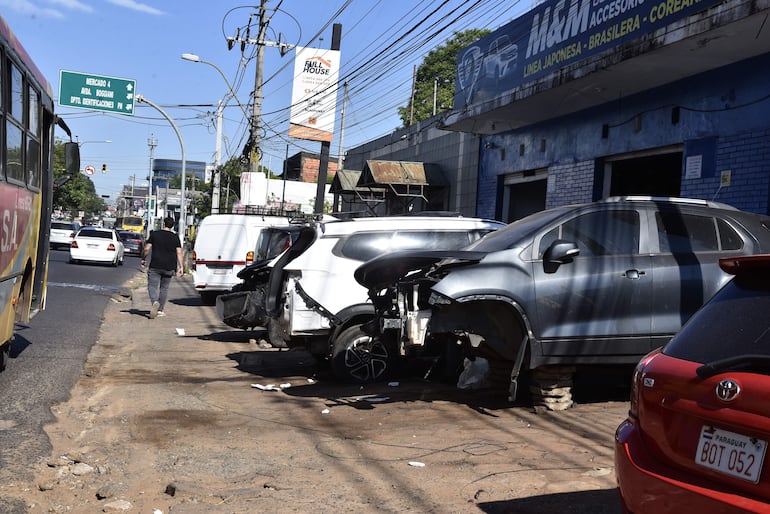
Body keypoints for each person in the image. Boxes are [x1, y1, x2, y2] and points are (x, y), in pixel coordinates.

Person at [141, 217, 184, 319]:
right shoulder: (175, 237)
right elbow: (179, 252)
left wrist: (143, 258)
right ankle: (160, 310)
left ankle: (154, 302)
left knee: (152, 286)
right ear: (172, 226)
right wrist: (181, 267)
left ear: (164, 224)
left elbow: (147, 249)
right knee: (164, 288)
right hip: (170, 267)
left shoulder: (155, 234)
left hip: (155, 265)